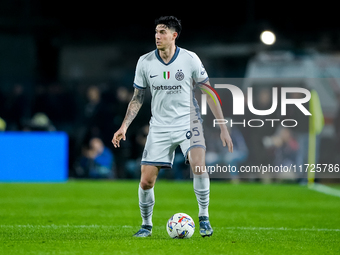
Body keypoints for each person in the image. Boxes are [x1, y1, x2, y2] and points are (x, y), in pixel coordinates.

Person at [112, 16, 233, 238]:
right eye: (156, 32)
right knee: (146, 180)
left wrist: (223, 126)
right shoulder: (145, 62)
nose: (157, 36)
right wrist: (124, 127)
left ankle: (204, 217)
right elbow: (137, 98)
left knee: (198, 165)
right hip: (159, 126)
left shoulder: (190, 59)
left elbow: (209, 91)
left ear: (174, 35)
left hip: (189, 120)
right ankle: (146, 225)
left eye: (163, 32)